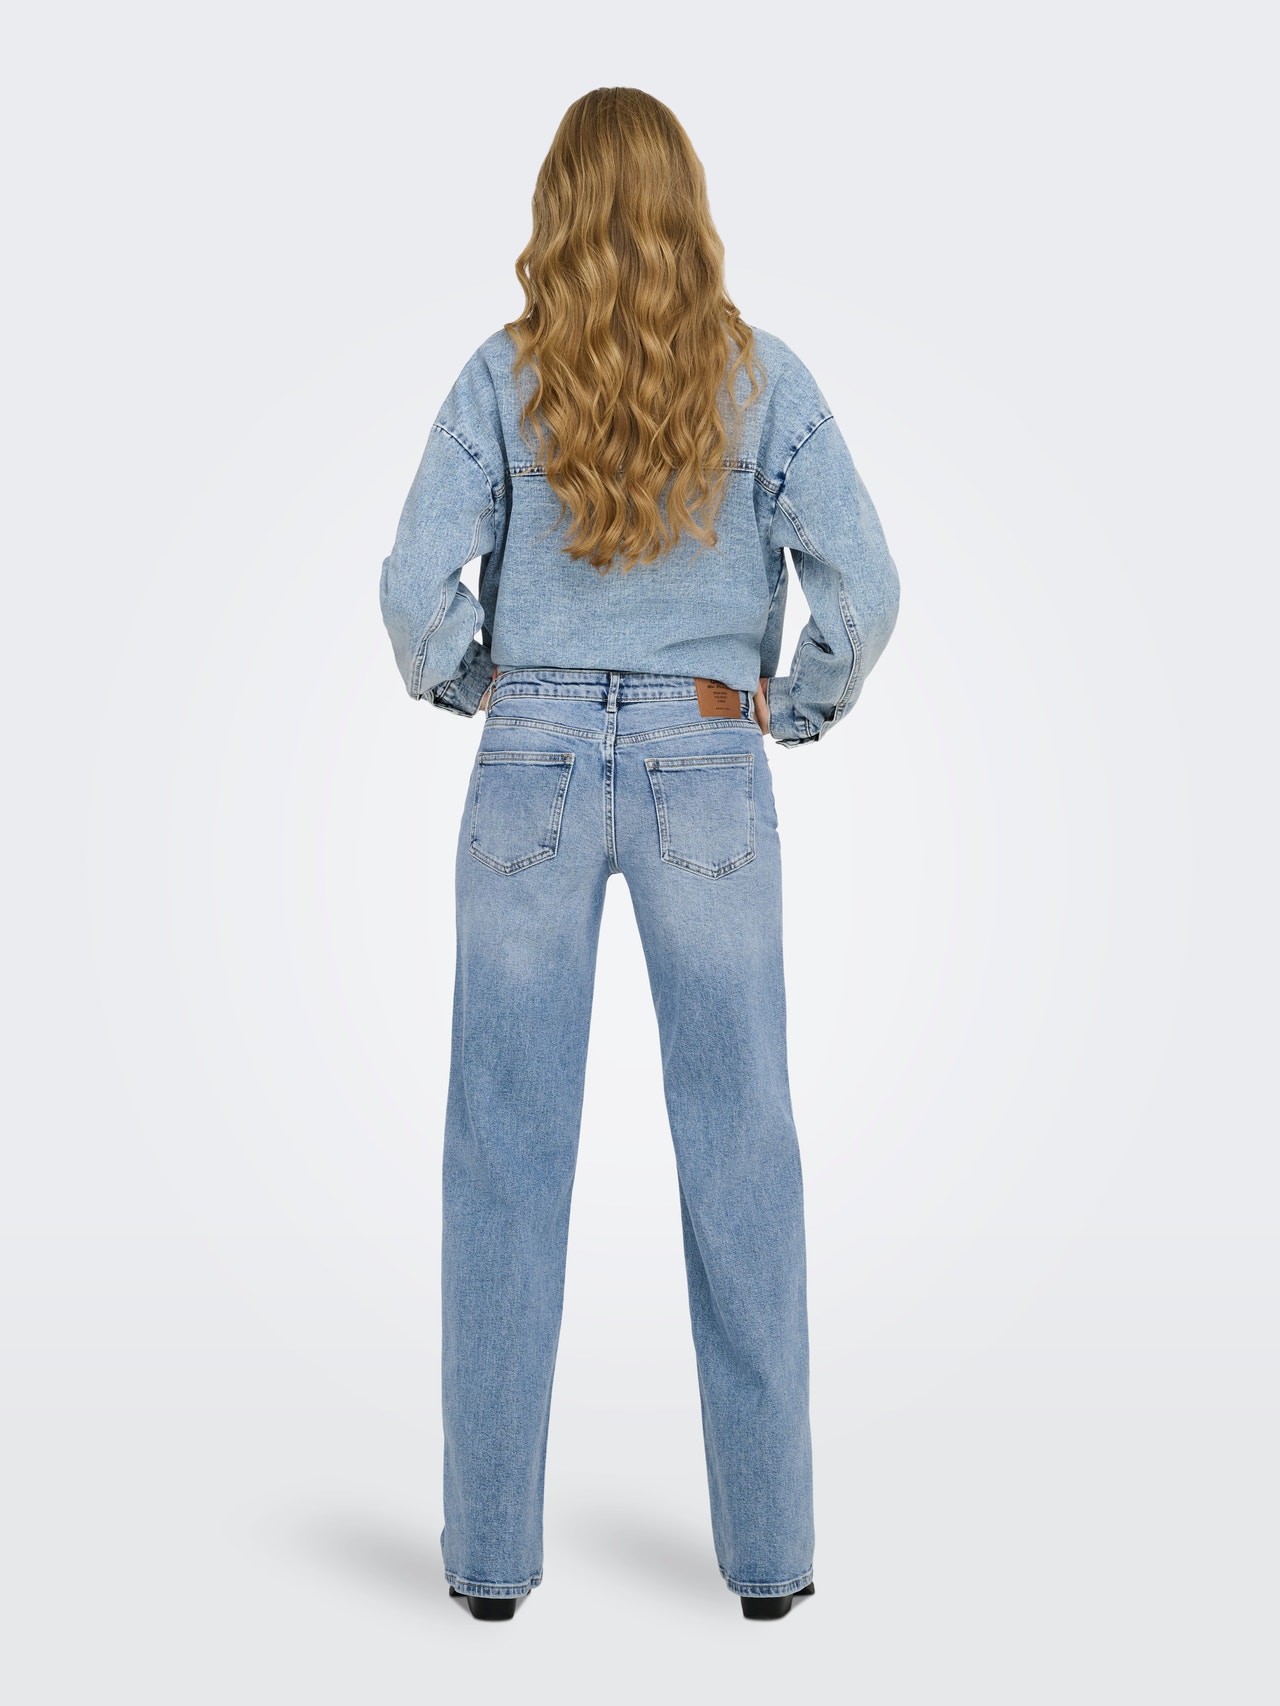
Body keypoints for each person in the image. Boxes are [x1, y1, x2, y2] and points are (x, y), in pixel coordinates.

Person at [379, 86, 900, 1623]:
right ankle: (770, 1562)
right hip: (707, 758)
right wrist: (795, 704)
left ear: (555, 212)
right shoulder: (762, 376)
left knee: (503, 1154)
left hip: (530, 760)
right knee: (744, 1153)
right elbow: (864, 584)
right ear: (690, 205)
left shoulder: (501, 375)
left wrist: (480, 683)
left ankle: (489, 1564)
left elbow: (413, 588)